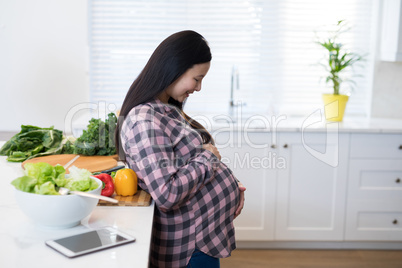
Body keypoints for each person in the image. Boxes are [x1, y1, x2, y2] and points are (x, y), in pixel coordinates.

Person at [115, 30, 246, 268]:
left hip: (202, 238)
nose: (198, 88)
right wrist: (208, 158)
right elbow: (167, 193)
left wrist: (233, 185)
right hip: (188, 247)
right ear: (174, 68)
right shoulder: (143, 120)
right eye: (197, 78)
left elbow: (189, 160)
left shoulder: (166, 108)